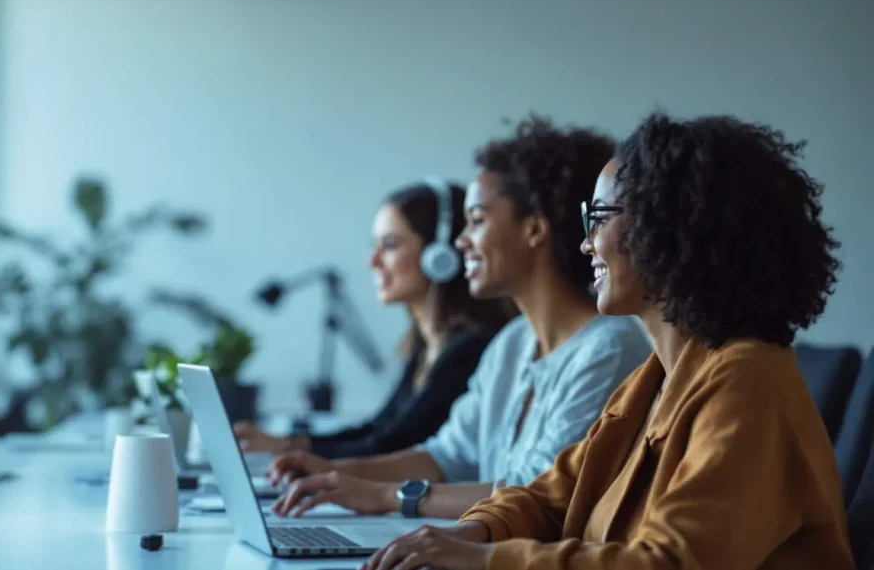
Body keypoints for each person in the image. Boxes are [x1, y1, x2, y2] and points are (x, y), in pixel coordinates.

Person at [363, 111, 855, 570]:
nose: (584, 243)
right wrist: (473, 532)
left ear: (669, 225)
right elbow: (552, 495)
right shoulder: (655, 379)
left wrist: (487, 559)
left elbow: (668, 562)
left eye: (598, 217)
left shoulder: (746, 384)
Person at [267, 114, 653, 520]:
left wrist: (386, 496)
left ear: (534, 231)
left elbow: (537, 495)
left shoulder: (608, 350)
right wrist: (334, 473)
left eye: (478, 221)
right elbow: (447, 455)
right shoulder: (512, 342)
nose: (460, 241)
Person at [236, 180, 516, 459]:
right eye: (375, 246)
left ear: (439, 256)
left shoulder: (471, 348)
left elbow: (393, 446)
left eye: (390, 245)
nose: (373, 261)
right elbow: (378, 429)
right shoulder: (427, 344)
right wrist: (285, 444)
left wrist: (298, 456)